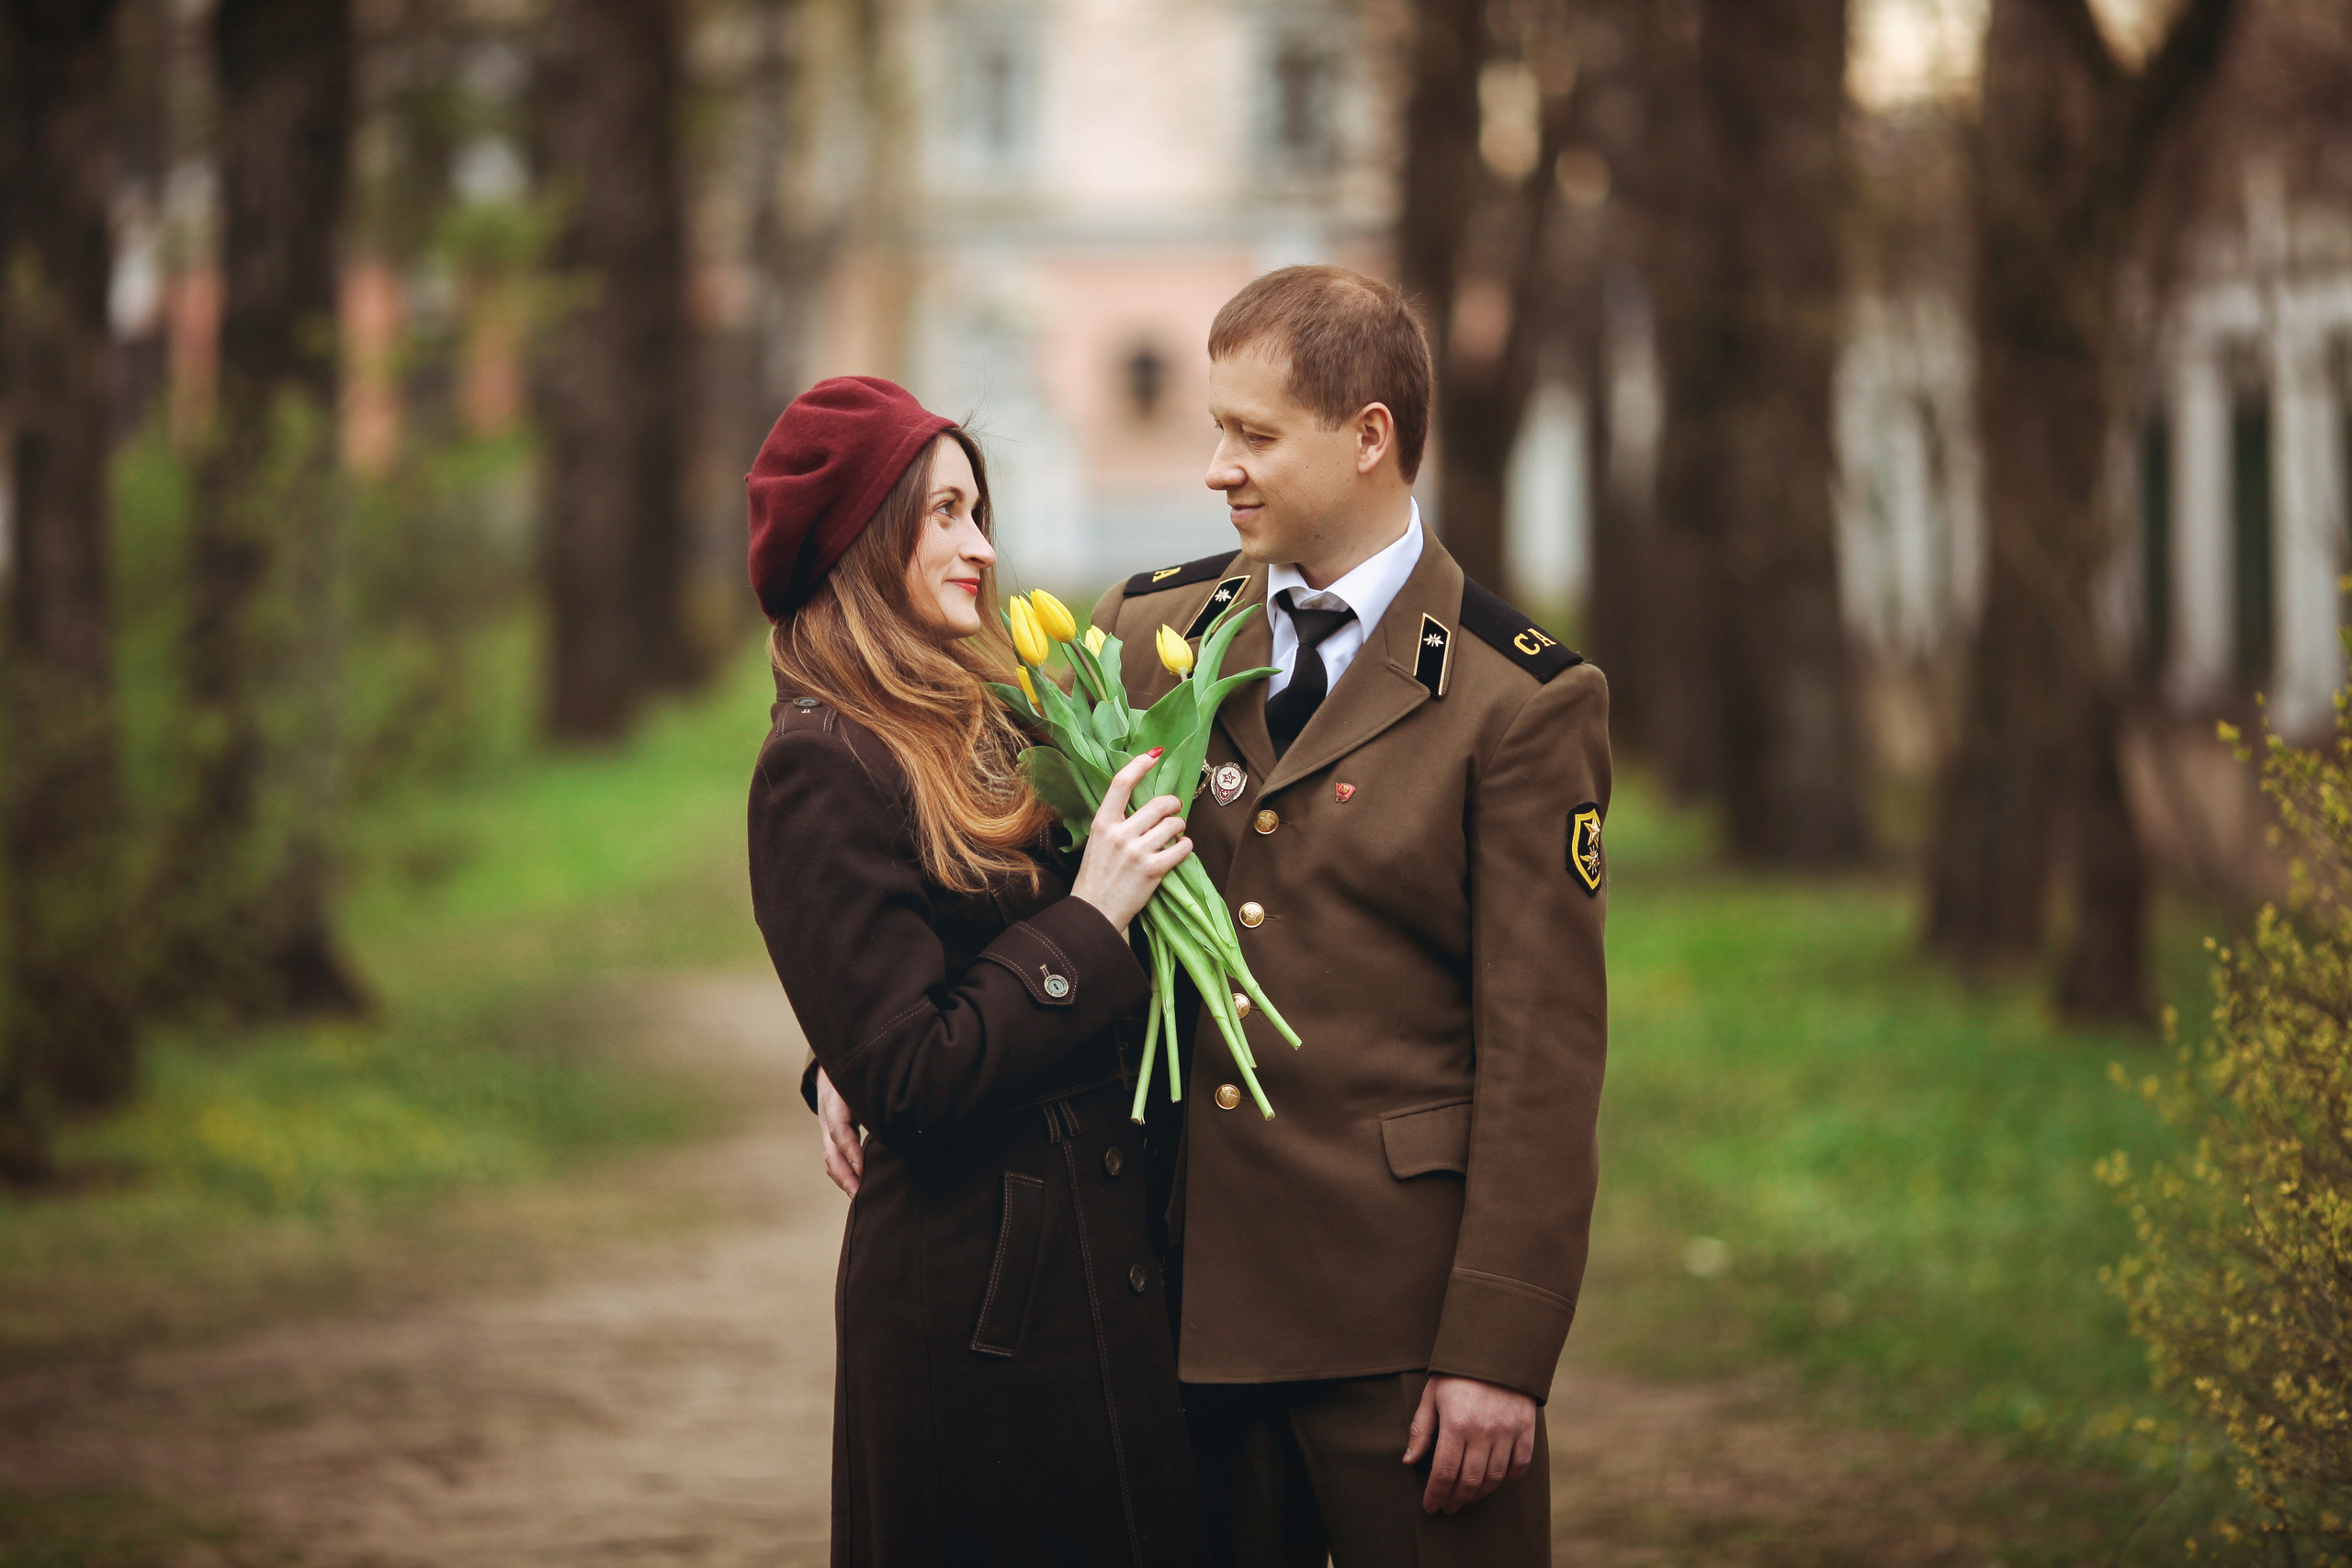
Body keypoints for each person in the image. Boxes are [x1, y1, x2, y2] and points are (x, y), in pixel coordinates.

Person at [1090, 265, 1610, 1566]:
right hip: (1182, 1307)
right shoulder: (1151, 632)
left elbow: (1543, 1055)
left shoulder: (1517, 700)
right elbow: (1040, 895)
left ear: (1370, 435)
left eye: (1254, 435)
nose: (1218, 467)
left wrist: (1498, 1349)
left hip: (1406, 1342)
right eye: (1217, 428)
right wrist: (857, 1049)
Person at [745, 376, 1207, 1568]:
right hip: (982, 1320)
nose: (983, 547)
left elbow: (919, 982)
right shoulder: (818, 764)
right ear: (861, 539)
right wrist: (1092, 919)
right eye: (945, 514)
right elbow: (912, 1072)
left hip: (1094, 1276)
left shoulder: (989, 717)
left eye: (978, 511)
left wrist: (843, 1050)